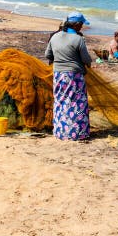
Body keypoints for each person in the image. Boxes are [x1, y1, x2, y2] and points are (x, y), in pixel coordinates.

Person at [44, 11, 93, 141]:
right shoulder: (78, 39)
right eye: (81, 24)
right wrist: (87, 64)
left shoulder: (55, 37)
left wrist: (60, 58)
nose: (82, 27)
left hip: (58, 75)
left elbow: (47, 55)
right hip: (74, 77)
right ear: (76, 25)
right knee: (77, 103)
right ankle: (76, 133)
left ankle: (60, 131)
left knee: (61, 101)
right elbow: (86, 59)